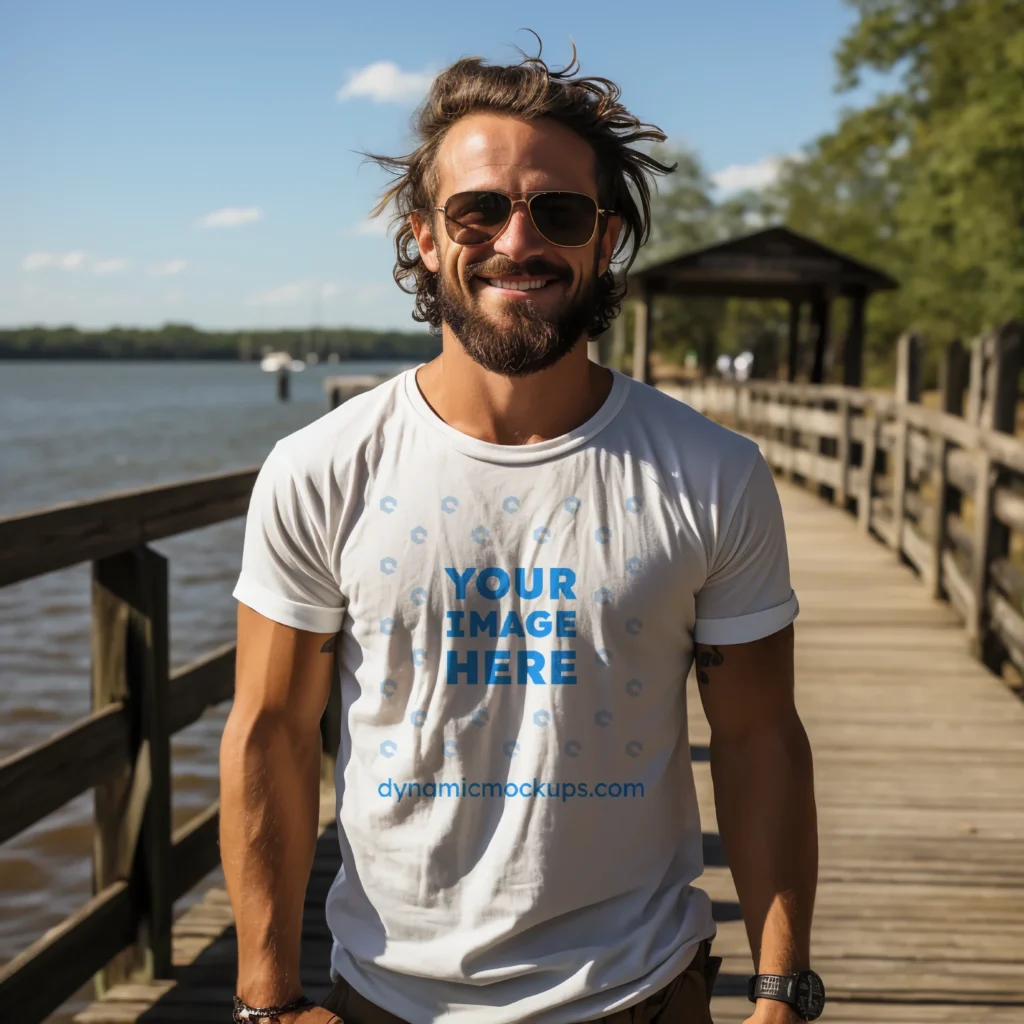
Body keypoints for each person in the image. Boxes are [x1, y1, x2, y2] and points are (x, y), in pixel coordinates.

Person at [222, 37, 820, 1024]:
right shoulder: (320, 470)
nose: (517, 239)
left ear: (605, 236)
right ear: (423, 234)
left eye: (558, 210)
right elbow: (270, 734)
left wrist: (782, 988)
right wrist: (265, 999)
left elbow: (758, 736)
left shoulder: (713, 474)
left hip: (638, 989)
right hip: (385, 994)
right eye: (479, 209)